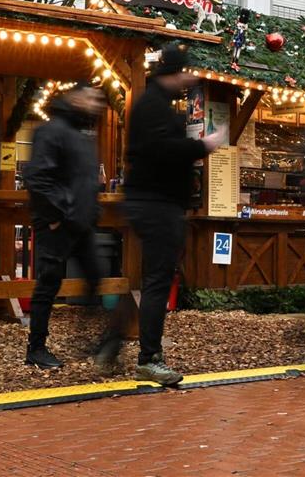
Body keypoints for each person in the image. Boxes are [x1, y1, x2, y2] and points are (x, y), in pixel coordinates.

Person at [122, 42, 225, 385]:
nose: (187, 78)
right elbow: (162, 151)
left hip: (155, 201)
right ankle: (149, 358)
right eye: (183, 72)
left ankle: (111, 345)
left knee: (152, 279)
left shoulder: (153, 103)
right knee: (157, 281)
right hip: (158, 203)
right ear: (171, 73)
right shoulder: (154, 107)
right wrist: (202, 146)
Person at [23, 83, 106, 369]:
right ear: (74, 98)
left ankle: (90, 340)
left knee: (95, 279)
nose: (96, 103)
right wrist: (55, 215)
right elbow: (36, 177)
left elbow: (83, 180)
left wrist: (91, 211)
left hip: (80, 222)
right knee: (48, 284)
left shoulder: (81, 136)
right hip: (58, 223)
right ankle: (36, 348)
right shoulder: (50, 131)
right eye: (90, 98)